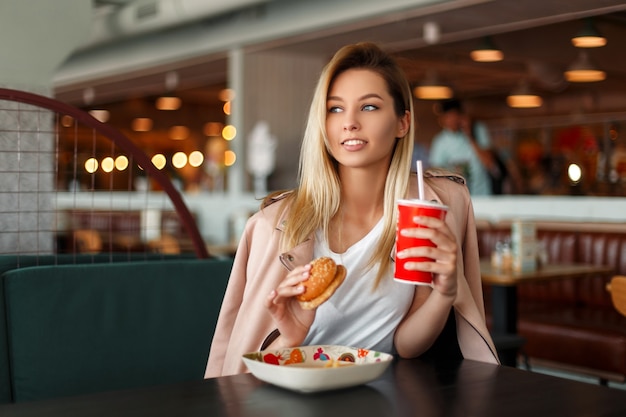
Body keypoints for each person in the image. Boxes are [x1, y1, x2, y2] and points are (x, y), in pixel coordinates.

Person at [205, 43, 499, 378]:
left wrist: (444, 293)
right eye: (335, 109)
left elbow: (406, 344)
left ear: (403, 123)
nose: (350, 123)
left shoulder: (429, 208)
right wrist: (291, 336)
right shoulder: (274, 225)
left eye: (370, 107)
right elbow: (242, 370)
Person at [429, 99, 498, 196]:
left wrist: (469, 135)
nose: (452, 121)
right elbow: (434, 172)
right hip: (456, 197)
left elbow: (490, 164)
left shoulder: (478, 130)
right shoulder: (440, 141)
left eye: (455, 116)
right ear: (443, 119)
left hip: (482, 195)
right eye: (448, 117)